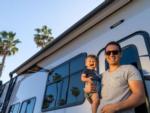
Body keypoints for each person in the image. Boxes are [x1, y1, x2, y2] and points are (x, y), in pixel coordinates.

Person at [98, 41, 145, 113]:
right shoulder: (101, 76)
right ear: (105, 56)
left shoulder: (129, 69)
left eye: (115, 52)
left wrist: (115, 107)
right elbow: (95, 99)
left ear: (120, 54)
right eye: (108, 53)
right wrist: (88, 94)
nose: (111, 54)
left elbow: (140, 96)